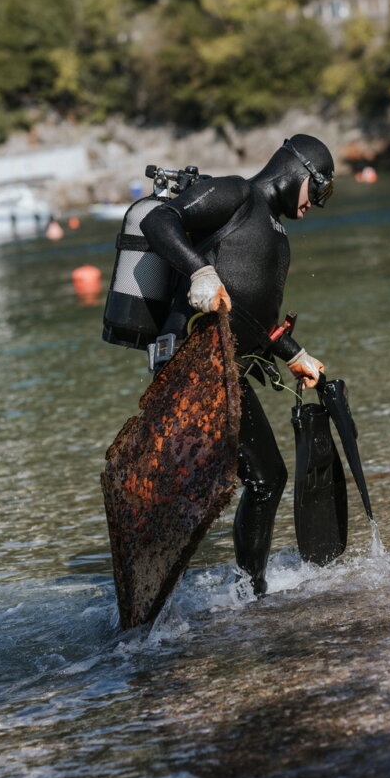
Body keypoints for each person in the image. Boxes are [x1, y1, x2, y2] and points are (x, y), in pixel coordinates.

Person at [141, 134, 335, 596]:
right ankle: (251, 595)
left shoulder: (276, 232)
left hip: (224, 368)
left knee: (259, 479)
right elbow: (158, 219)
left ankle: (241, 593)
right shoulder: (236, 193)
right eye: (320, 191)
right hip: (195, 359)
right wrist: (199, 272)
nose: (317, 204)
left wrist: (294, 354)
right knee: (266, 478)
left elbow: (253, 317)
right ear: (299, 172)